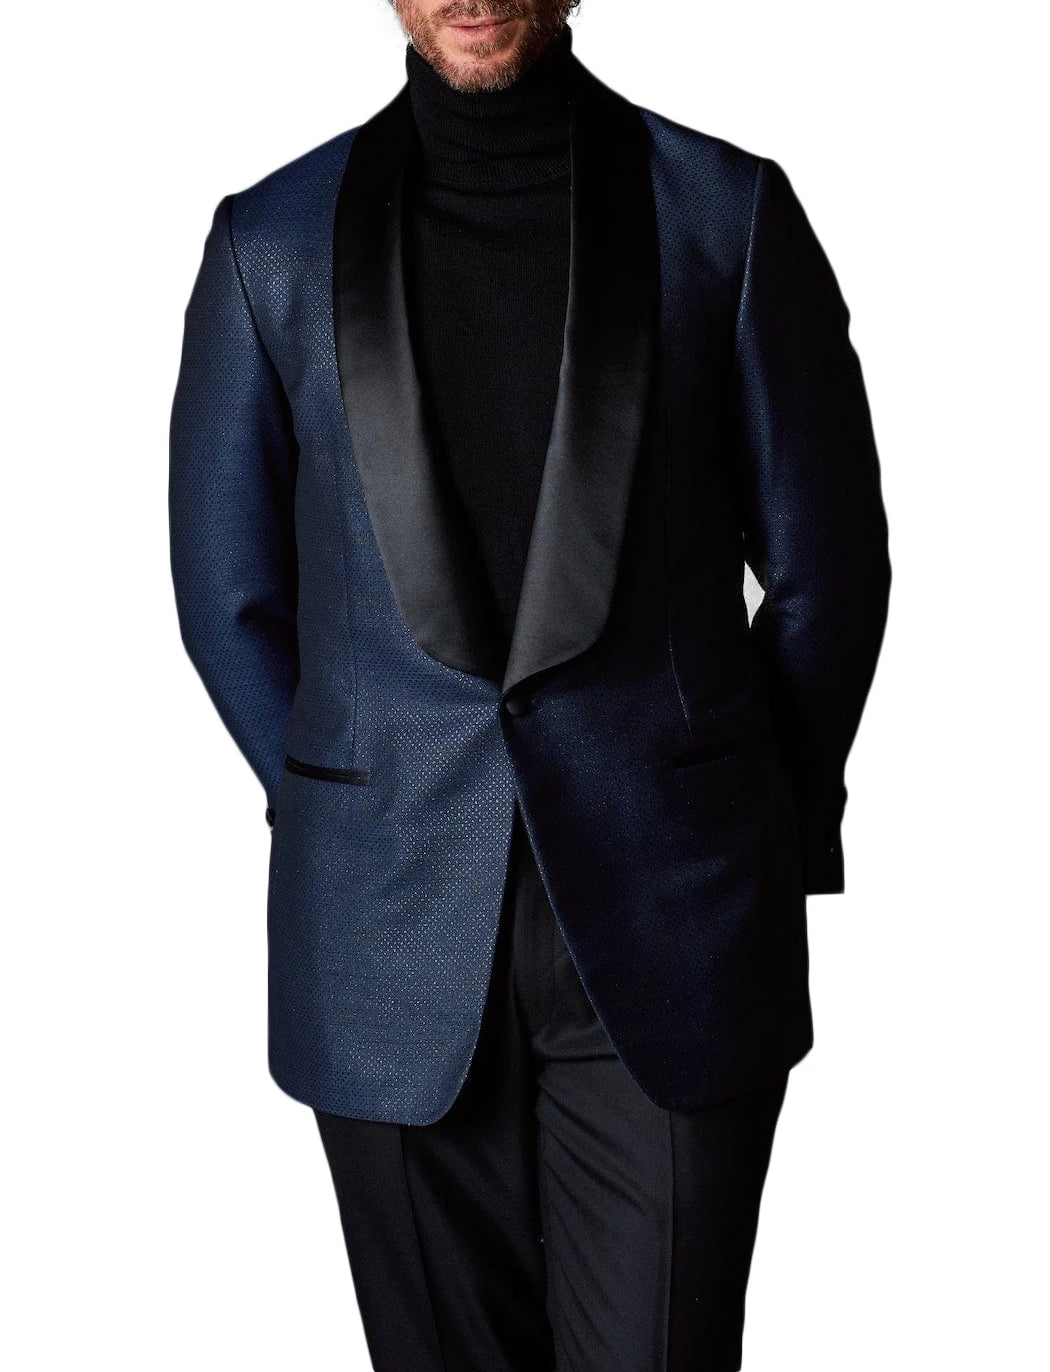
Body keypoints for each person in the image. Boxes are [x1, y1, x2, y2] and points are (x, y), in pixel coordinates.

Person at [168, 2, 891, 1367]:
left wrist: (754, 828)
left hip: (674, 916)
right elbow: (229, 598)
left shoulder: (724, 214)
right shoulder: (271, 241)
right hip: (386, 933)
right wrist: (350, 815)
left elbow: (828, 571)